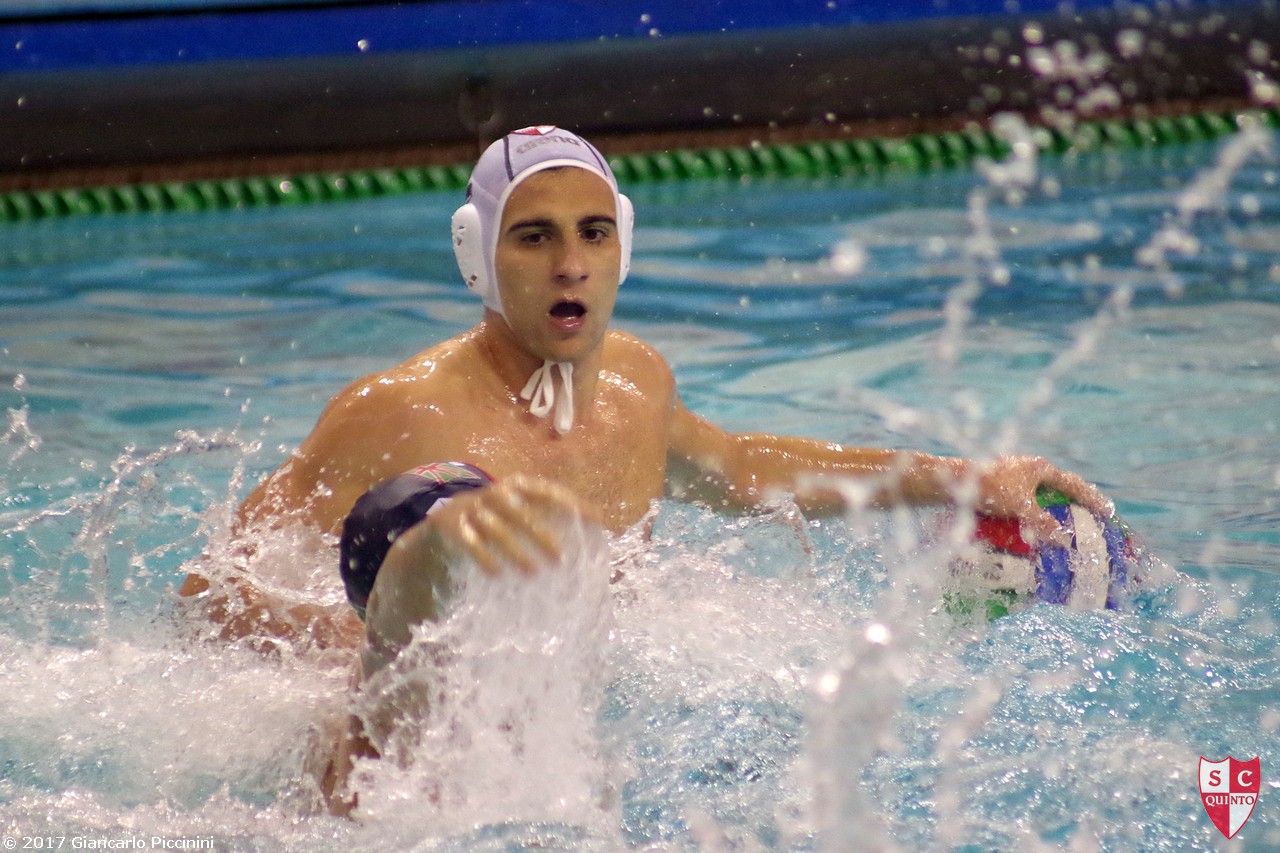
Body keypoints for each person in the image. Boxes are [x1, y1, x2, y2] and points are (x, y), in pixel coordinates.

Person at [179, 125, 1112, 813]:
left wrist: (960, 477)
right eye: (533, 237)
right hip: (393, 740)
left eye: (593, 233)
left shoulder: (635, 385)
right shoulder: (400, 410)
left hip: (561, 730)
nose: (570, 265)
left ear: (623, 245)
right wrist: (348, 640)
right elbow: (209, 588)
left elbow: (743, 468)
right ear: (478, 254)